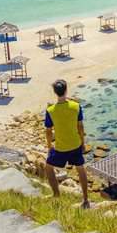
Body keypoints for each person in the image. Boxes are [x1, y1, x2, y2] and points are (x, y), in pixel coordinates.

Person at [44, 79, 89, 207]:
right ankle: (85, 199)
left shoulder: (50, 110)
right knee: (81, 169)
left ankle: (56, 194)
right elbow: (80, 127)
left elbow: (48, 131)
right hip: (75, 144)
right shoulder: (76, 106)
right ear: (66, 90)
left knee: (48, 167)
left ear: (55, 92)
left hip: (60, 147)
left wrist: (49, 146)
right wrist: (82, 143)